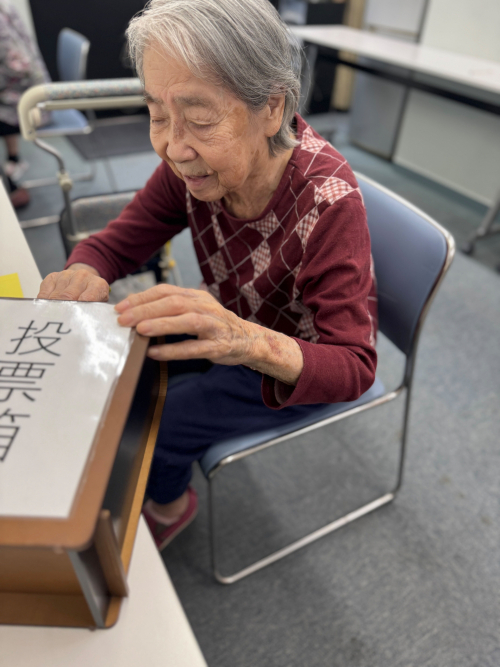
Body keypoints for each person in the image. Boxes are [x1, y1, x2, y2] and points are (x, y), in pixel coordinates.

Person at [37, 0, 377, 550]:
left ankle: (170, 507)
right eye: (157, 115)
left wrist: (244, 339)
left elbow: (354, 367)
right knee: (123, 365)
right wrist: (82, 270)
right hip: (227, 323)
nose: (173, 147)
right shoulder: (191, 166)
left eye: (199, 119)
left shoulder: (329, 203)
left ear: (272, 108)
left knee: (163, 423)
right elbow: (118, 242)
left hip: (293, 363)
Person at [0, 0, 50, 207]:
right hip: (23, 94)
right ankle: (14, 160)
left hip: (29, 103)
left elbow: (21, 67)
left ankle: (8, 186)